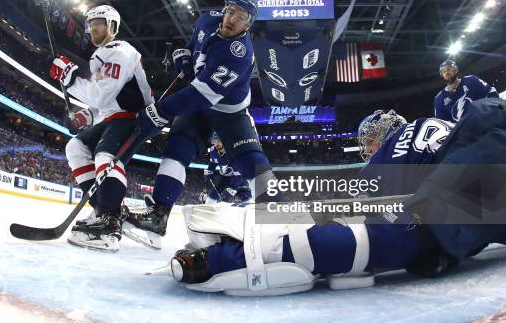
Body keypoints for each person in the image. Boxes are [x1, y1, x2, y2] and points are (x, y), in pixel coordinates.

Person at [165, 99, 506, 296]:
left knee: (390, 225)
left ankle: (267, 239)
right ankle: (264, 242)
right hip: (480, 158)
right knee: (406, 229)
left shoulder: (410, 136)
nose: (368, 147)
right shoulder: (426, 132)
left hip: (477, 156)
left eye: (373, 140)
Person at [124, 0, 279, 249]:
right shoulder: (208, 19)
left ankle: (280, 216)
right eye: (231, 12)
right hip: (198, 101)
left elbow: (198, 96)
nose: (233, 20)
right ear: (225, 10)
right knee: (178, 148)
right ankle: (158, 215)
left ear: (248, 26)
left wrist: (158, 111)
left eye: (242, 18)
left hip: (228, 112)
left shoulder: (239, 54)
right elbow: (193, 43)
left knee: (251, 160)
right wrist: (184, 59)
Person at [49, 4, 154, 252]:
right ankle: (105, 211)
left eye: (97, 22)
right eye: (89, 24)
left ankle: (109, 224)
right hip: (114, 117)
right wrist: (87, 116)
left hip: (134, 117)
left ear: (112, 26)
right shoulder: (102, 56)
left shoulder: (120, 51)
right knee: (75, 146)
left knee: (105, 156)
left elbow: (101, 93)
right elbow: (104, 103)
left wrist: (71, 77)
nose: (91, 28)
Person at [434, 59, 498, 123]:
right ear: (441, 75)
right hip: (466, 131)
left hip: (486, 122)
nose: (447, 73)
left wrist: (494, 113)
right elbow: (444, 123)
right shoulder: (439, 99)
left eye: (448, 69)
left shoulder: (472, 80)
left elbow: (491, 93)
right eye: (444, 71)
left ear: (455, 70)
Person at [204, 133, 251, 204]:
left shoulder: (234, 151)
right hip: (224, 177)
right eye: (215, 141)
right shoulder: (213, 150)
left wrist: (233, 188)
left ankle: (253, 213)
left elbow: (240, 172)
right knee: (211, 197)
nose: (216, 143)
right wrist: (210, 170)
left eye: (218, 141)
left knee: (245, 197)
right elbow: (213, 161)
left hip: (238, 177)